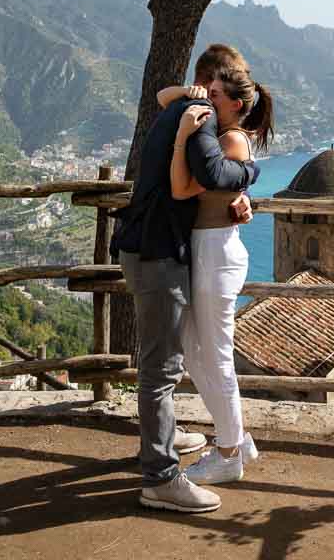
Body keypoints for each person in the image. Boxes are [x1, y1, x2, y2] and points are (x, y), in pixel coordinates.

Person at [111, 44, 256, 514]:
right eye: (221, 84)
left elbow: (203, 184)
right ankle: (160, 478)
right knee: (163, 369)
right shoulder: (198, 116)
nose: (220, 94)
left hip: (147, 248)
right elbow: (208, 174)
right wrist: (248, 174)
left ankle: (169, 439)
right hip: (158, 254)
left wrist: (240, 197)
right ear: (211, 86)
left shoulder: (181, 107)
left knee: (172, 360)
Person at [157, 64, 274, 486]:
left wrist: (183, 140)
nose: (208, 96)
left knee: (217, 355)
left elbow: (187, 189)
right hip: (206, 252)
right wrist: (191, 92)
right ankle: (236, 437)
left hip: (216, 254)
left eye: (217, 94)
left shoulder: (231, 141)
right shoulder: (219, 132)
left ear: (236, 105)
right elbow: (162, 97)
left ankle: (227, 454)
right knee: (192, 348)